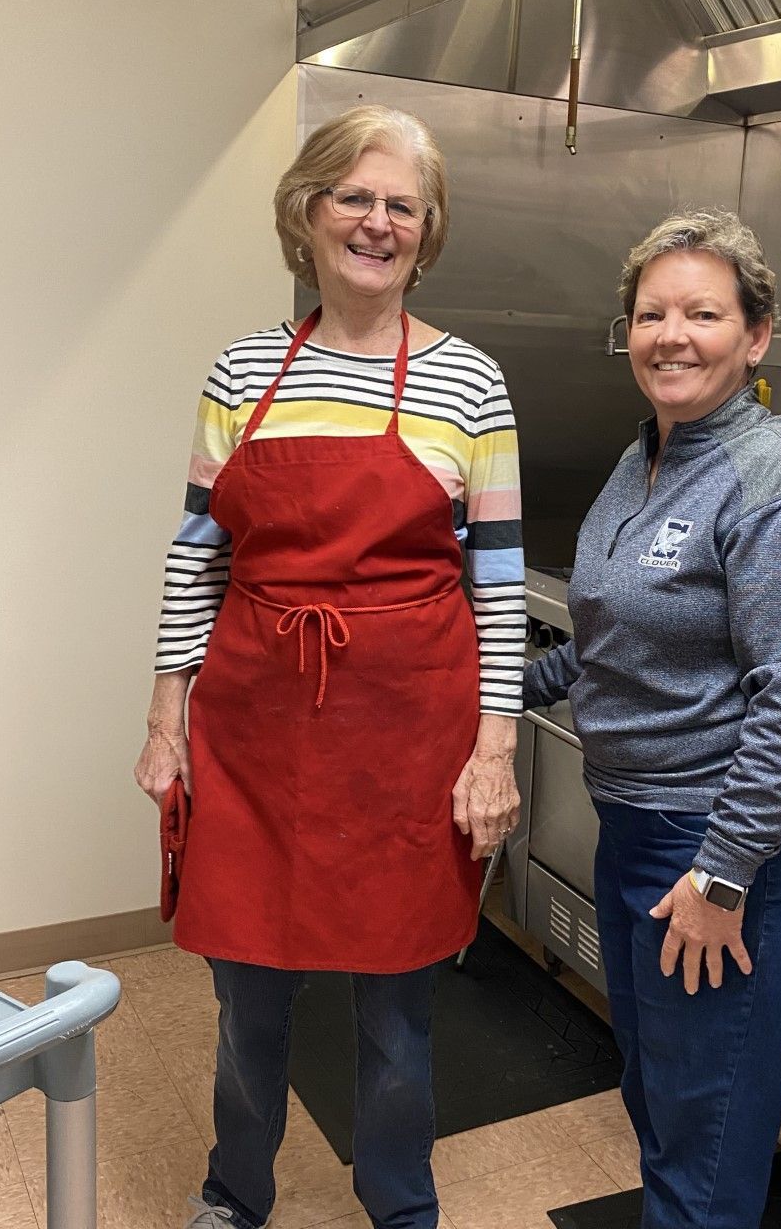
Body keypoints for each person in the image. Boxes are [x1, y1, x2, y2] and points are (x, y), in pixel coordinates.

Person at [134, 104, 525, 1229]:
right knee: (246, 999)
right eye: (354, 195)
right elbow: (194, 554)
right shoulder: (243, 370)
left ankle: (402, 1205)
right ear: (305, 211)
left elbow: (498, 584)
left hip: (410, 737)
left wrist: (494, 749)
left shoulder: (471, 384)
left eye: (404, 204)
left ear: (428, 230)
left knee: (398, 1015)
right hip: (253, 737)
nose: (378, 221)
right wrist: (167, 718)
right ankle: (232, 1193)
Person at [523, 209, 781, 1229]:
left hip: (733, 851)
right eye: (650, 313)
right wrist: (506, 691)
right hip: (640, 827)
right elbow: (621, 640)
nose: (672, 334)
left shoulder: (780, 480)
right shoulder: (650, 454)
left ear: (756, 334)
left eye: (702, 313)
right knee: (664, 1107)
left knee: (704, 1146)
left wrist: (722, 875)